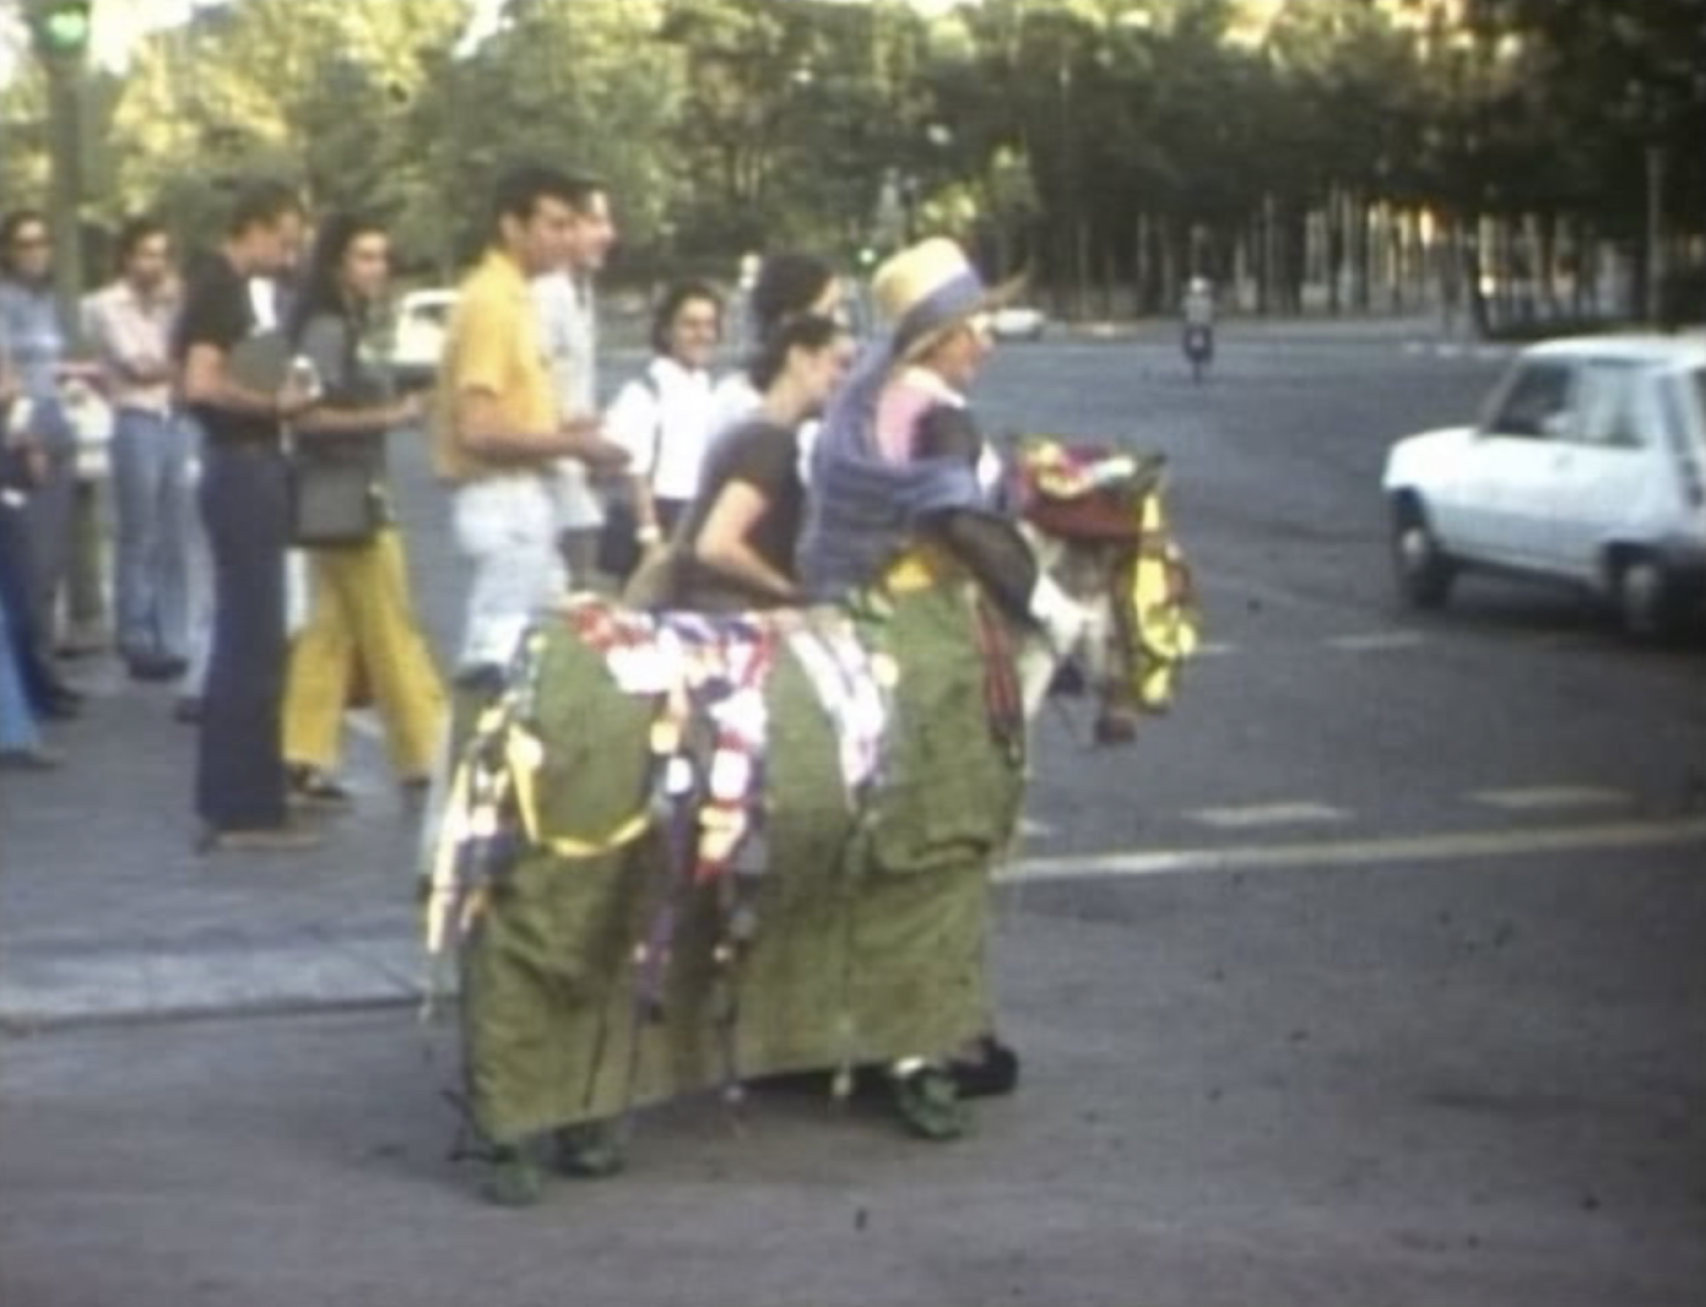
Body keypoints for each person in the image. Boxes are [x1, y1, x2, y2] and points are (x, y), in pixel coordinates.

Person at [800, 235, 1090, 648]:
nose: (987, 347)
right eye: (980, 332)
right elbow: (961, 521)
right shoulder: (937, 416)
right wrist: (1050, 607)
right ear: (942, 340)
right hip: (916, 622)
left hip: (848, 601)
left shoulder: (875, 403)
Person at [433, 165, 629, 684]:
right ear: (512, 227)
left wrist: (578, 431)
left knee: (553, 652)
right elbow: (477, 428)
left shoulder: (517, 297)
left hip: (527, 502)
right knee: (495, 661)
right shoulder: (493, 302)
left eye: (571, 226)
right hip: (503, 502)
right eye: (555, 226)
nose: (567, 240)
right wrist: (573, 445)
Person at [274, 214, 446, 806]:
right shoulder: (327, 329)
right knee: (390, 623)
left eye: (382, 257)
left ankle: (302, 751)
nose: (378, 268)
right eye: (365, 257)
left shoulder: (342, 322)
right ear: (336, 265)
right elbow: (305, 415)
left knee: (332, 627)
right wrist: (392, 416)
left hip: (334, 497)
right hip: (346, 494)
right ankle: (425, 750)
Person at [173, 179, 317, 851]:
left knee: (255, 633)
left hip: (249, 463)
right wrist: (273, 406)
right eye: (283, 240)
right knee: (250, 635)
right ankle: (242, 806)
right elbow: (199, 382)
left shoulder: (229, 291)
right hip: (241, 462)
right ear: (252, 228)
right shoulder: (218, 291)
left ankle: (246, 797)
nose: (289, 255)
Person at [673, 313, 851, 612]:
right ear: (798, 358)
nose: (845, 380)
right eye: (840, 363)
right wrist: (791, 593)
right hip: (730, 615)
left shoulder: (749, 430)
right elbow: (716, 546)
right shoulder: (770, 442)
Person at [84, 216, 195, 682]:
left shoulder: (177, 303)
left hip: (175, 417)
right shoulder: (105, 305)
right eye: (146, 253)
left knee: (176, 532)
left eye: (162, 254)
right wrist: (178, 363)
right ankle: (136, 634)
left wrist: (178, 316)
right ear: (127, 257)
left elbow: (197, 357)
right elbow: (140, 367)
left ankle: (174, 634)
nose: (155, 264)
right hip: (134, 418)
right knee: (139, 531)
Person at [0, 209, 101, 660]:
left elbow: (48, 365)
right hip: (24, 430)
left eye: (42, 242)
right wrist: (27, 437)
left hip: (58, 419)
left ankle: (46, 661)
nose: (36, 252)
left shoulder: (49, 302)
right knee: (32, 559)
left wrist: (79, 378)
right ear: (7, 251)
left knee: (54, 554)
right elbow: (7, 378)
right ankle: (32, 672)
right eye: (25, 243)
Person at [601, 280, 723, 581]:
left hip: (698, 514)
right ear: (667, 331)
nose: (702, 335)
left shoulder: (708, 387)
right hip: (661, 516)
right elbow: (634, 469)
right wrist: (650, 535)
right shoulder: (644, 391)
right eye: (690, 325)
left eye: (709, 325)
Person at [531, 178, 619, 588]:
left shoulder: (578, 293)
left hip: (574, 476)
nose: (608, 234)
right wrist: (577, 434)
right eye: (595, 222)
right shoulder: (548, 295)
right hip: (547, 481)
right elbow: (528, 392)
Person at [706, 251, 843, 440]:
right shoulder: (742, 405)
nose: (840, 322)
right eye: (829, 310)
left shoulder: (823, 402)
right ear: (791, 320)